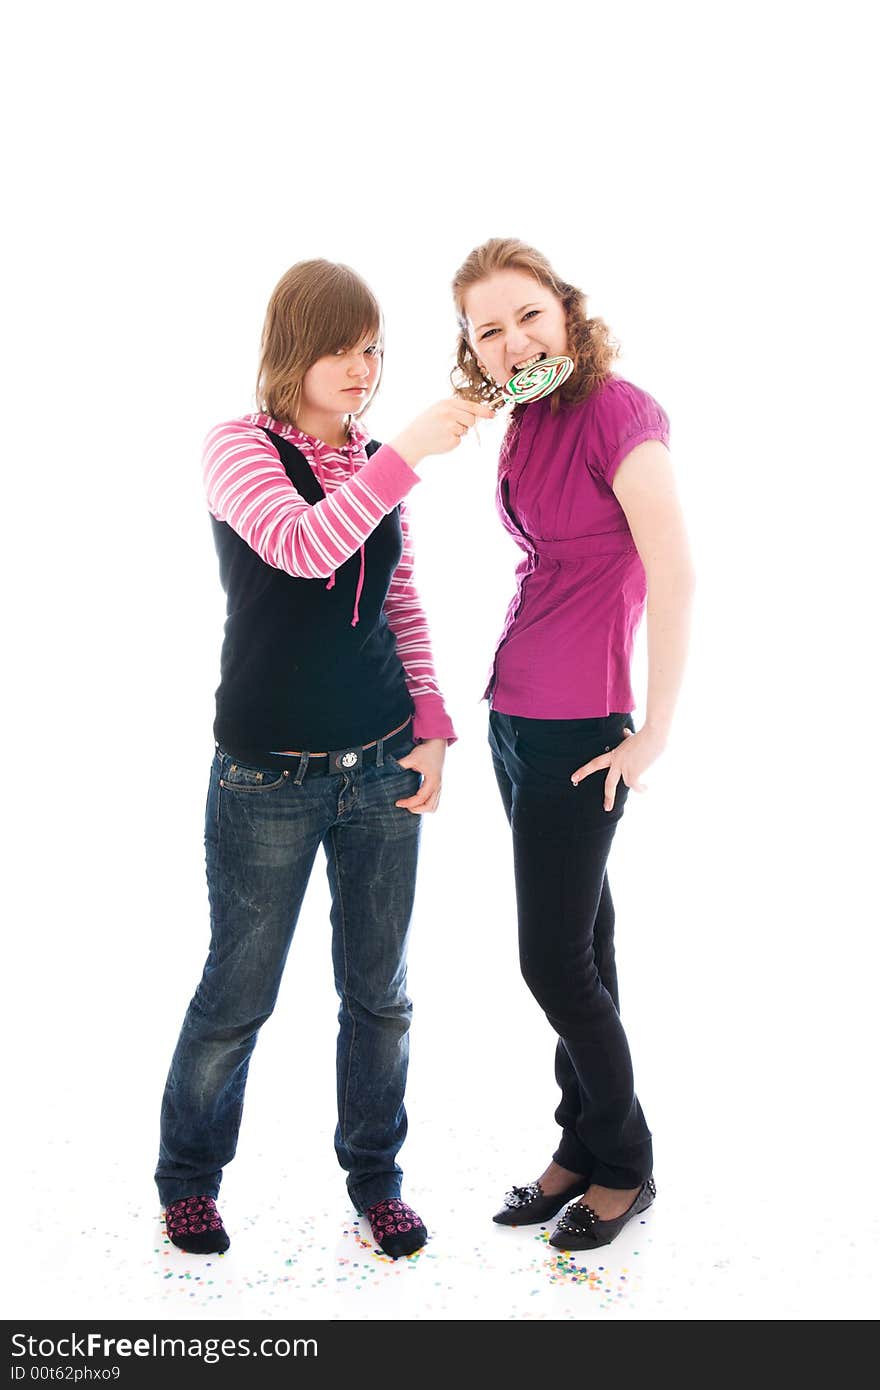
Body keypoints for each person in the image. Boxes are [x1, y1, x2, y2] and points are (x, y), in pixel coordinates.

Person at [155, 260, 493, 1259]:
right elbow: (303, 548)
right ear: (293, 350)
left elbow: (399, 602)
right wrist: (410, 457)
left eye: (375, 348)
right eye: (344, 347)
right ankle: (188, 1180)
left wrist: (430, 728)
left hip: (380, 768)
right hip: (267, 778)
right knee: (237, 997)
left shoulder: (377, 461)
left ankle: (376, 1180)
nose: (365, 366)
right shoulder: (236, 449)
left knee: (380, 995)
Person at [451, 238, 695, 1251]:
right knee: (583, 944)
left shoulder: (614, 411)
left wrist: (651, 734)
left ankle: (625, 1161)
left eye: (528, 316)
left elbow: (674, 573)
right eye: (488, 331)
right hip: (515, 719)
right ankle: (578, 1147)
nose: (514, 342)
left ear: (566, 310)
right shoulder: (523, 418)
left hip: (582, 731)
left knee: (550, 960)